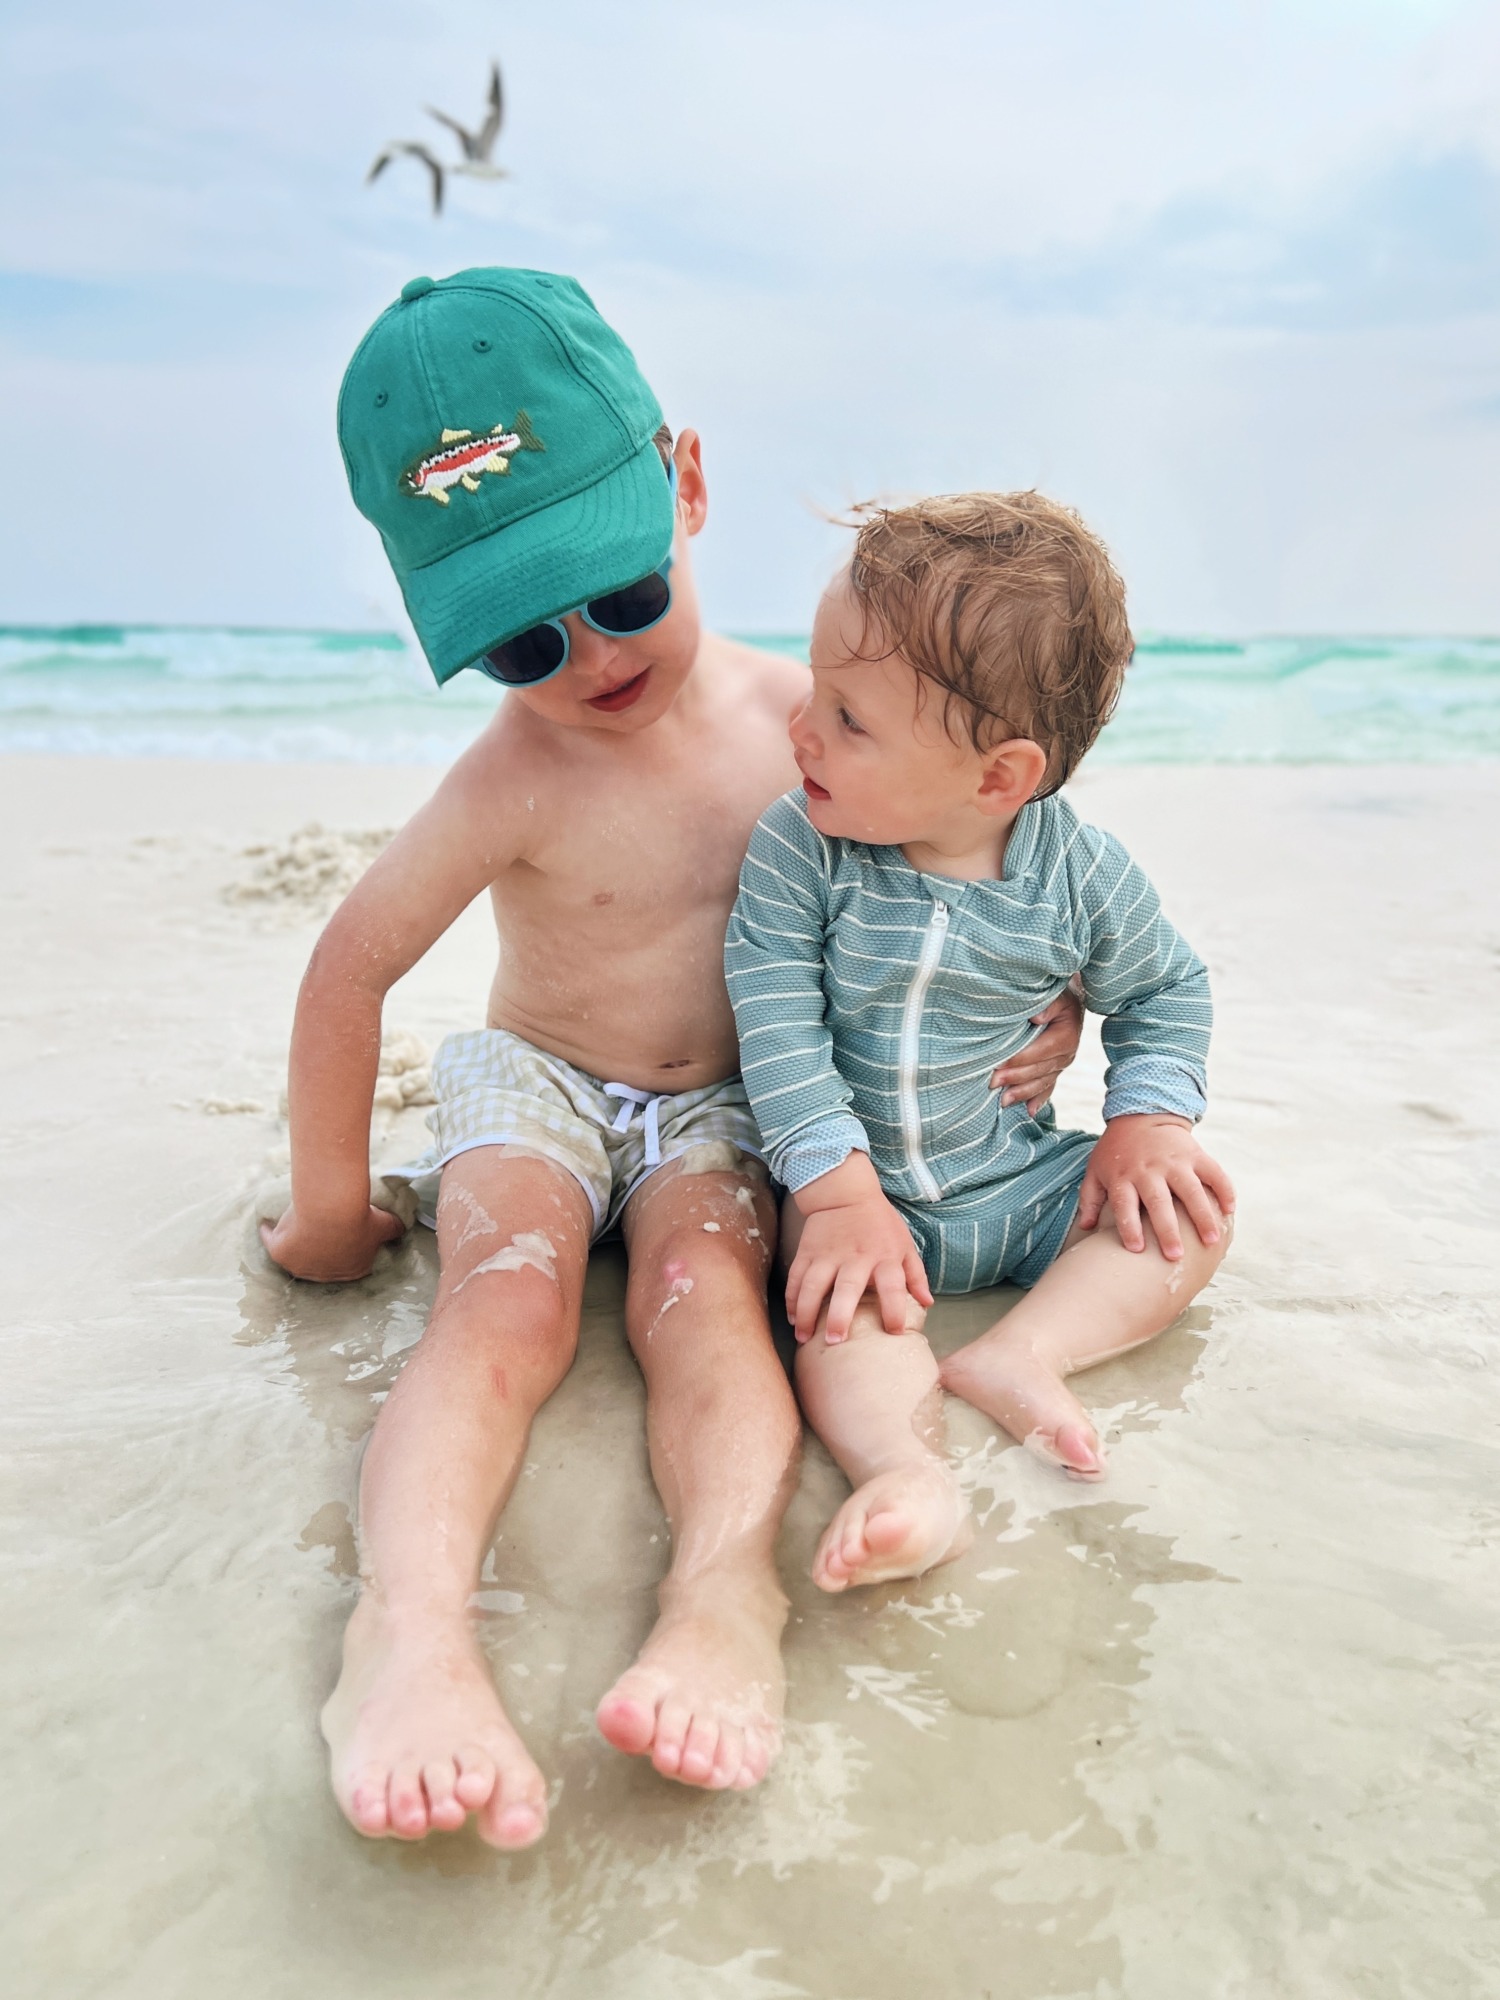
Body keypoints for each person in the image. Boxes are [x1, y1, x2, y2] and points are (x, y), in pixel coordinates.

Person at [261, 270, 1083, 1846]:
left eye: (623, 590)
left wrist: (1048, 1023)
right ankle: (410, 1633)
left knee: (708, 1316)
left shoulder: (808, 731)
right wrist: (325, 1213)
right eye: (517, 640)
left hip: (732, 1109)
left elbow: (986, 866)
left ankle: (722, 1602)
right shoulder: (510, 781)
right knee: (501, 1306)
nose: (586, 656)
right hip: (540, 1084)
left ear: (686, 484)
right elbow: (351, 966)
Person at [725, 490, 1236, 1596]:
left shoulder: (1080, 873)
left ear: (998, 777)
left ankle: (1026, 1351)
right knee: (839, 1310)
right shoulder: (802, 848)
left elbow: (1168, 986)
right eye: (814, 691)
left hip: (1016, 1177)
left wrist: (1147, 1120)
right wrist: (841, 1196)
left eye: (850, 718)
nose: (801, 729)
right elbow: (774, 1020)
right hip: (865, 1202)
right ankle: (909, 1472)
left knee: (1192, 1217)